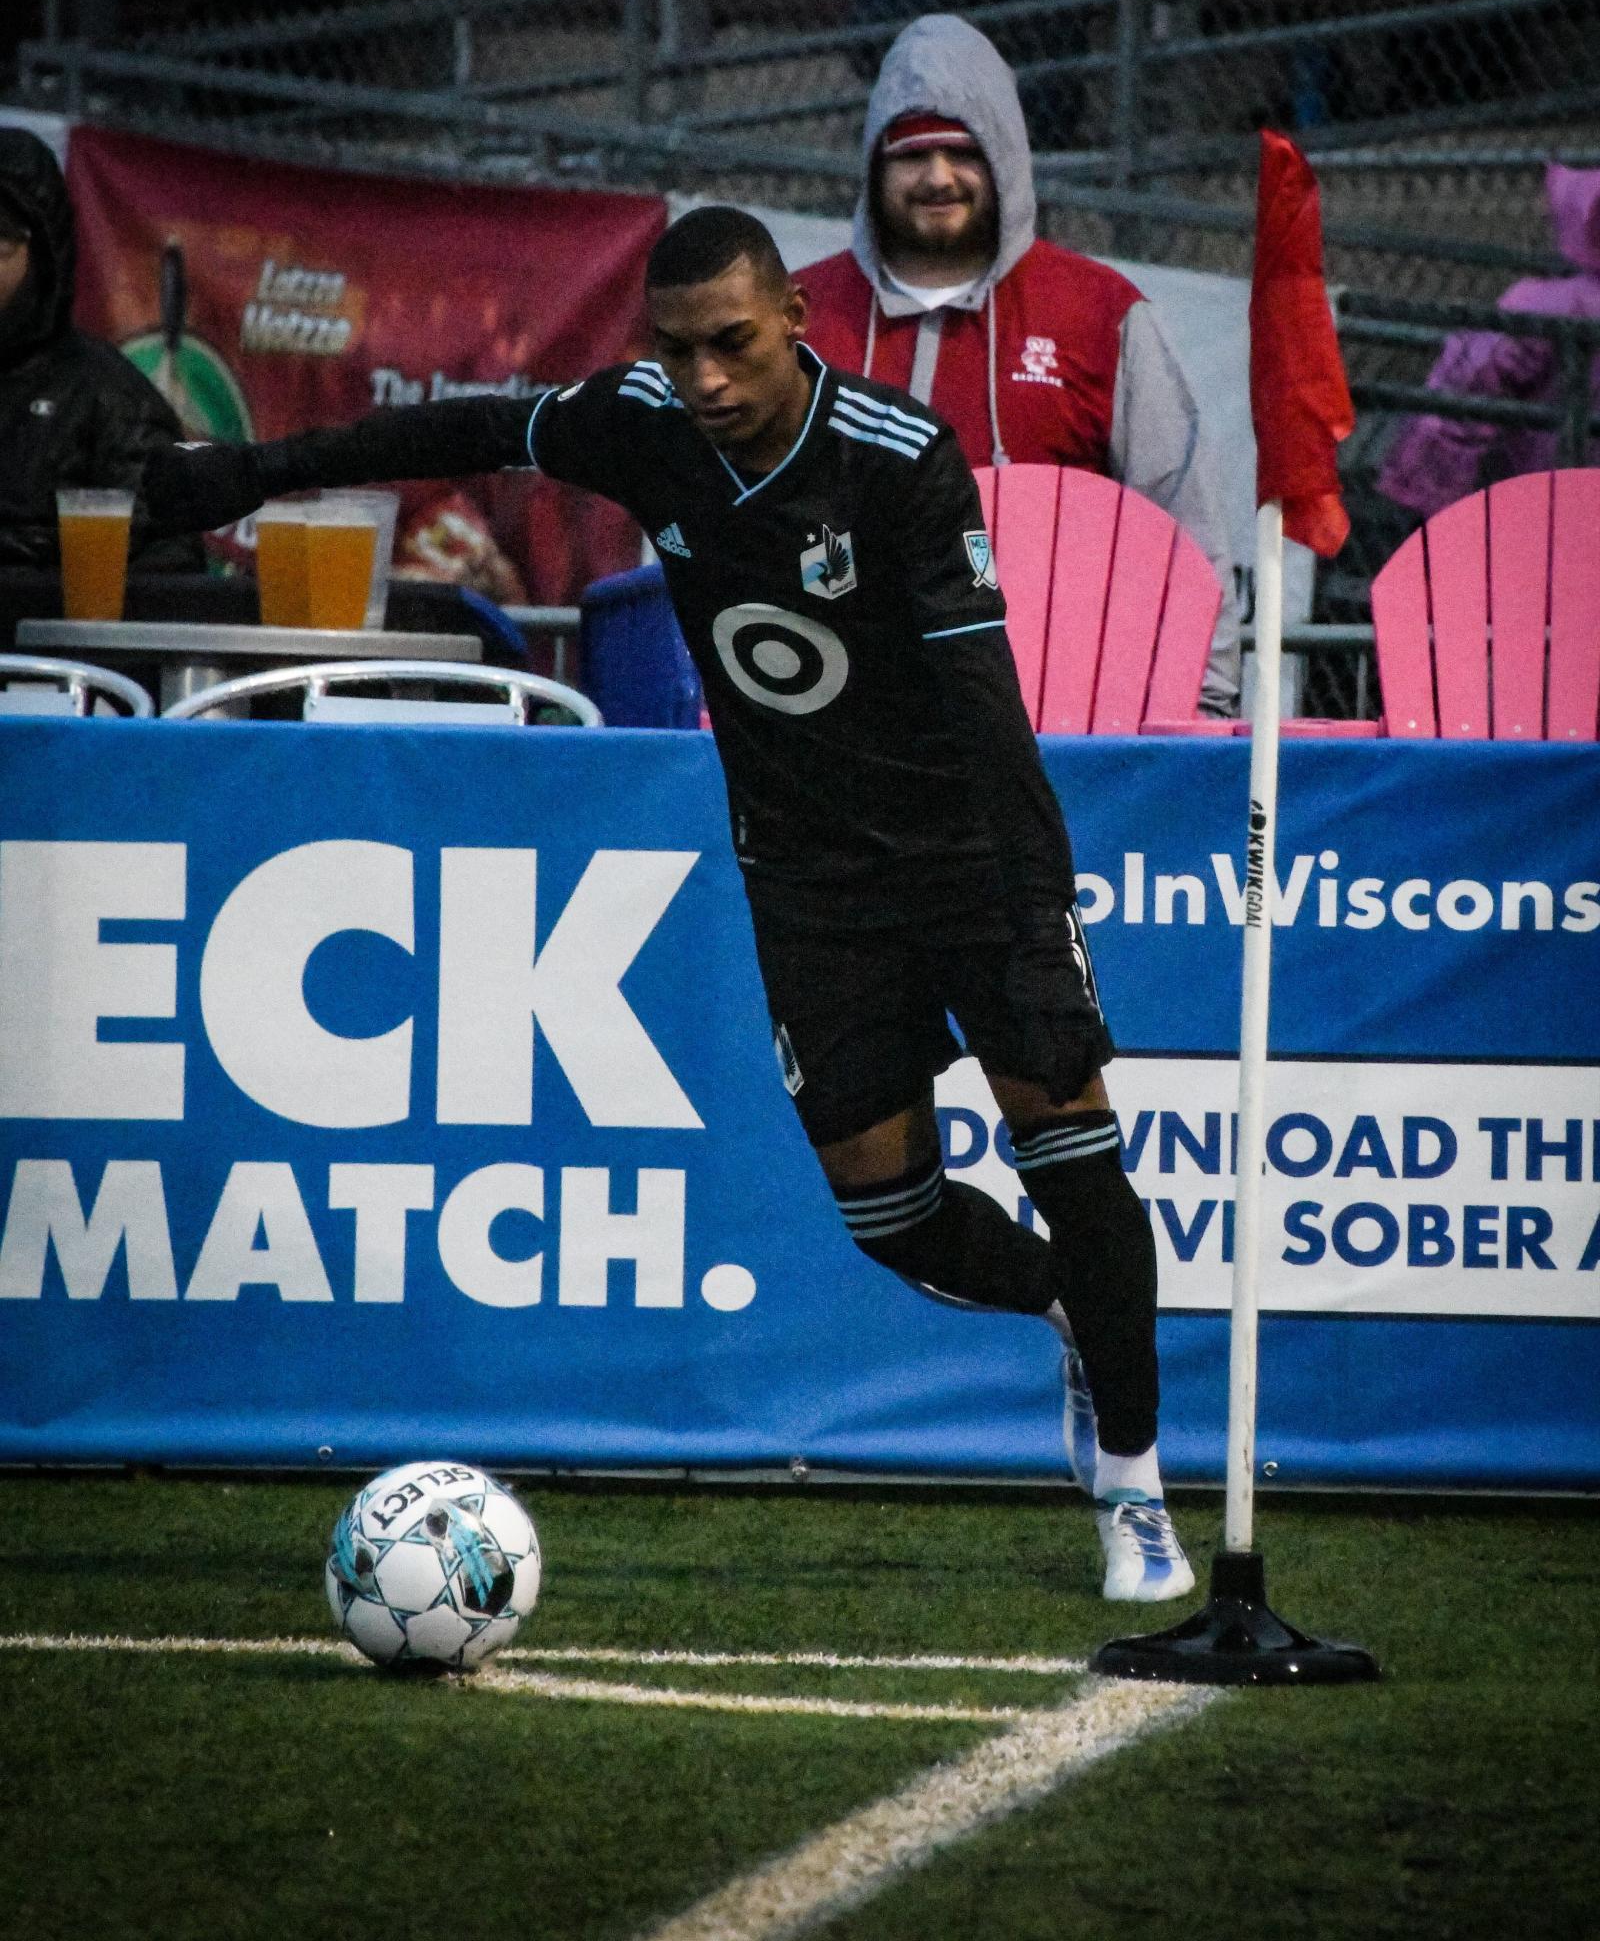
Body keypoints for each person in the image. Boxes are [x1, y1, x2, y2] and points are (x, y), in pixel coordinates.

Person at [143, 205, 1194, 1605]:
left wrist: (1045, 929)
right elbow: (455, 429)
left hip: (967, 862)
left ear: (796, 328)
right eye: (678, 349)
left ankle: (1134, 1486)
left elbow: (990, 719)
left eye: (734, 347)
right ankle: (1065, 1304)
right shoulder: (645, 424)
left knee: (1069, 1139)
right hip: (807, 882)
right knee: (888, 1220)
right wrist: (256, 473)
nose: (704, 379)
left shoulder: (897, 462)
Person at [798, 13, 1241, 717]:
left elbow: (1185, 528)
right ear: (874, 165)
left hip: (1060, 723)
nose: (937, 178)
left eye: (962, 152)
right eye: (911, 155)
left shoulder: (1099, 315)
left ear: (1003, 157)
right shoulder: (798, 317)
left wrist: (1204, 708)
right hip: (840, 720)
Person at [0, 127, 200, 571]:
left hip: (41, 638)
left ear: (44, 257)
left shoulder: (107, 398)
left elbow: (170, 563)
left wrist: (39, 571)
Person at [1379, 163, 1600, 519]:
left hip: (1535, 496)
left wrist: (1425, 485)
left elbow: (1470, 383)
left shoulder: (1543, 302)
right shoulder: (1558, 302)